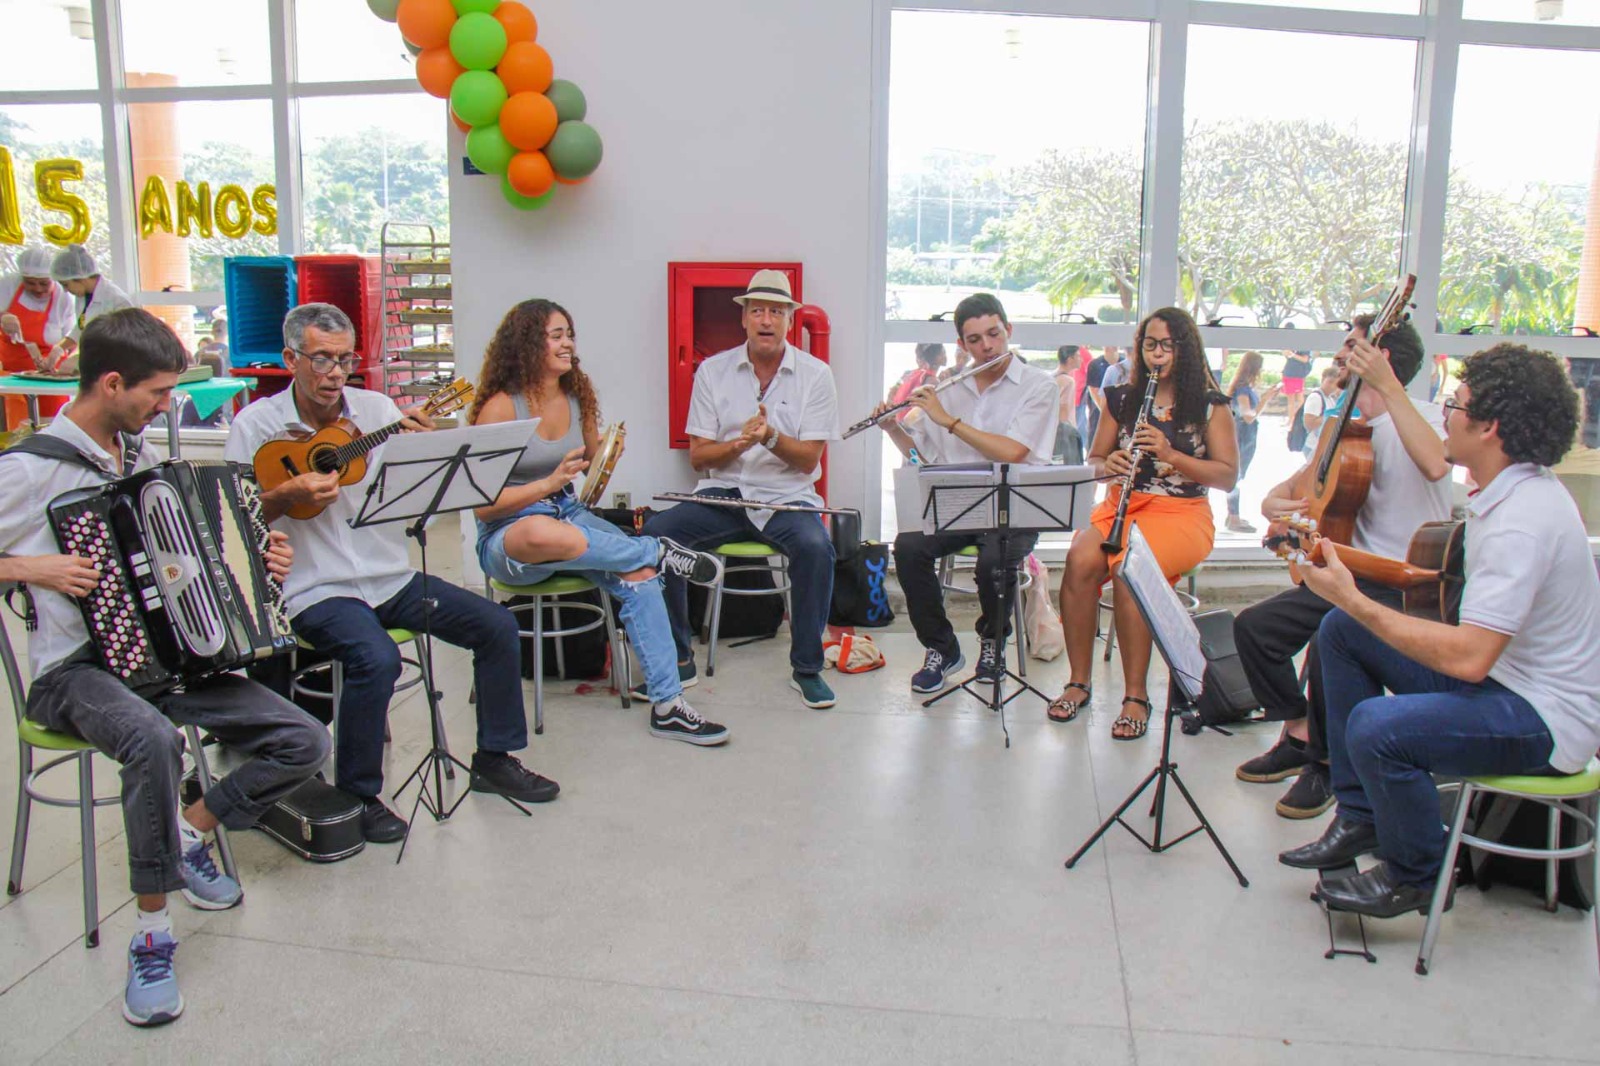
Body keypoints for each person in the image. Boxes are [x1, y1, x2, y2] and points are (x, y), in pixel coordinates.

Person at [0, 308, 329, 1027]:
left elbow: (195, 559)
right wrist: (29, 567)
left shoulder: (136, 459)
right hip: (73, 672)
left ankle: (186, 830)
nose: (164, 408)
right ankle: (152, 933)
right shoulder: (27, 470)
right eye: (155, 394)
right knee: (152, 740)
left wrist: (261, 558)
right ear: (111, 382)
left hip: (160, 661)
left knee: (306, 741)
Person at [1280, 344, 1600, 918]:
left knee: (1379, 724)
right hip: (1506, 683)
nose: (1446, 413)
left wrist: (1357, 596)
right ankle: (1362, 819)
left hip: (1544, 719)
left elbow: (1471, 658)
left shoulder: (1522, 522)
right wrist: (1347, 590)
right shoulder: (1509, 492)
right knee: (1341, 631)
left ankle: (1419, 876)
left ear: (1490, 426)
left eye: (1456, 403)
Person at [224, 303, 559, 843]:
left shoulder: (377, 410)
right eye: (322, 359)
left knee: (495, 626)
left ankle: (494, 759)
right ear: (290, 359)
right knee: (374, 656)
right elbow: (233, 521)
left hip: (388, 575)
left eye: (345, 358)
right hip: (314, 588)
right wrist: (284, 496)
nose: (336, 372)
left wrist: (420, 454)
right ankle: (357, 795)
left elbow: (415, 496)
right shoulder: (255, 426)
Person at [470, 298, 730, 745]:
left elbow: (590, 473)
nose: (568, 343)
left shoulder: (576, 394)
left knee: (642, 576)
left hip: (567, 515)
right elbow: (484, 507)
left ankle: (668, 706)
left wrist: (607, 456)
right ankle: (658, 549)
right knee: (544, 530)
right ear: (528, 342)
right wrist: (548, 482)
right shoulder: (500, 407)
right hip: (510, 534)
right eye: (556, 335)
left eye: (570, 333)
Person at [1233, 315, 1453, 817]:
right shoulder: (1343, 423)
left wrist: (1390, 389)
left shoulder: (1426, 418)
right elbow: (1304, 482)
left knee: (1336, 633)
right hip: (1346, 572)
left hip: (1403, 585)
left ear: (1381, 358)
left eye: (1350, 347)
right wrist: (1273, 500)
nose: (1338, 356)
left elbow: (1437, 464)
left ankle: (1327, 766)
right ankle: (1300, 731)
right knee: (1253, 629)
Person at [641, 270, 841, 710]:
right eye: (757, 311)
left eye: (775, 311)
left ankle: (807, 669)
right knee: (657, 537)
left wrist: (769, 437)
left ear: (789, 319)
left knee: (815, 548)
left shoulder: (816, 375)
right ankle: (678, 659)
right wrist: (739, 444)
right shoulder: (713, 371)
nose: (766, 319)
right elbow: (698, 456)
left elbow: (809, 459)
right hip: (726, 495)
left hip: (788, 498)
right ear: (744, 319)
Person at [1049, 308, 1237, 738]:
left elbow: (1227, 476)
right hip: (1121, 504)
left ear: (1185, 350)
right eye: (1150, 344)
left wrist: (1172, 455)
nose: (1157, 354)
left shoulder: (1211, 406)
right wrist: (1107, 463)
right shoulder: (1121, 397)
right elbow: (1095, 460)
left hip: (1182, 513)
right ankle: (1078, 681)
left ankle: (1136, 696)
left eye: (1168, 345)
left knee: (1131, 572)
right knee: (1079, 560)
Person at [870, 293, 1058, 693]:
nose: (986, 346)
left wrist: (948, 420)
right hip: (961, 507)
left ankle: (992, 643)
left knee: (994, 560)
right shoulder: (950, 389)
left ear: (1009, 330)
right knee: (907, 547)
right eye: (974, 340)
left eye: (993, 334)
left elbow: (1014, 452)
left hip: (1016, 509)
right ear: (962, 344)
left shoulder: (1039, 387)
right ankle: (942, 648)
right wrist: (893, 429)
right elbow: (924, 458)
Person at [0, 245, 78, 428]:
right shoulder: (7, 285)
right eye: (30, 283)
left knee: (53, 425)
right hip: (12, 374)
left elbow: (73, 335)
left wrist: (58, 353)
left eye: (44, 283)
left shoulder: (63, 297)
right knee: (19, 426)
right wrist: (3, 316)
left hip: (50, 374)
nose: (37, 288)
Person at [1222, 351, 1281, 533]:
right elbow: (1248, 416)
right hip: (1243, 434)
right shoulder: (1242, 390)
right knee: (1236, 476)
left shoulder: (1243, 388)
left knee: (1237, 475)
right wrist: (1265, 399)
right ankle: (1234, 517)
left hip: (1244, 433)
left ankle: (1233, 516)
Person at [51, 243, 135, 341]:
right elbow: (82, 327)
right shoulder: (83, 296)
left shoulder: (118, 301)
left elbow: (125, 341)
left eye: (65, 284)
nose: (65, 290)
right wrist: (60, 348)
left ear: (80, 278)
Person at [889, 343, 945, 422]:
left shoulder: (910, 374)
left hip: (899, 420)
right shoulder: (932, 380)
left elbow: (892, 393)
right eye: (942, 353)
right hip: (911, 424)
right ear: (935, 357)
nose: (945, 356)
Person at [1299, 366, 1340, 460]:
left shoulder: (1330, 398)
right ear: (1323, 379)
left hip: (1321, 445)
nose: (1332, 386)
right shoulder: (1316, 397)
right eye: (1330, 382)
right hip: (1313, 446)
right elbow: (1309, 424)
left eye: (1336, 384)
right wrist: (1329, 416)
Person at [1053, 344, 1085, 463]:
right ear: (1070, 359)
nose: (1081, 359)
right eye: (1078, 356)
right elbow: (1064, 408)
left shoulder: (1052, 376)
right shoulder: (1068, 381)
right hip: (1065, 433)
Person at [1281, 344, 1314, 430]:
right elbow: (1286, 354)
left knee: (1300, 400)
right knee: (1290, 401)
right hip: (1288, 373)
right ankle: (1290, 421)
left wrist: (1292, 355)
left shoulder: (1304, 346)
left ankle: (1294, 418)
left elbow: (1305, 359)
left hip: (1298, 375)